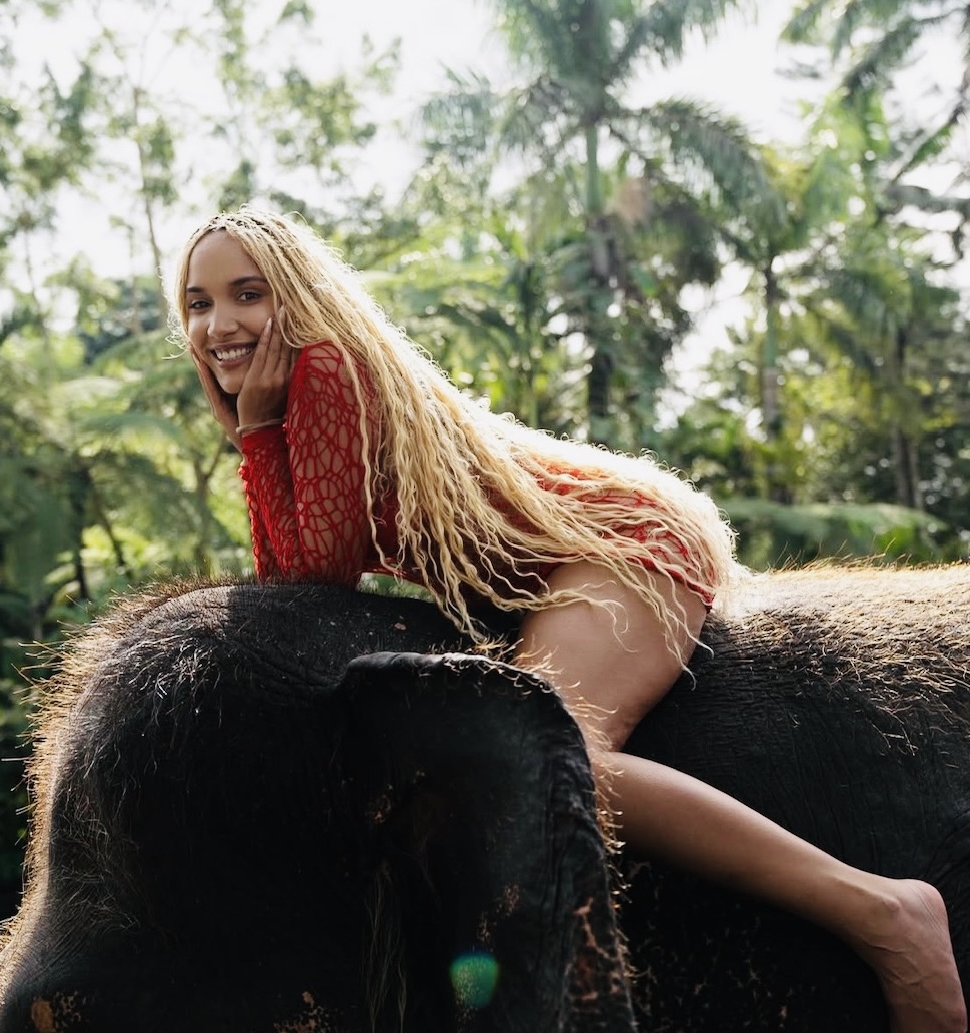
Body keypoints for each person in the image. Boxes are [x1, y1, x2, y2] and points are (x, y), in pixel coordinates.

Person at [175, 205, 965, 1033]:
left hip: (615, 545)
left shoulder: (325, 373)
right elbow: (286, 596)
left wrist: (261, 432)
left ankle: (882, 912)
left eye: (247, 294)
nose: (220, 323)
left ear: (296, 297)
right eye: (198, 303)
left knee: (553, 757)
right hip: (559, 570)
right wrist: (260, 434)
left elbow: (312, 592)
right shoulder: (292, 396)